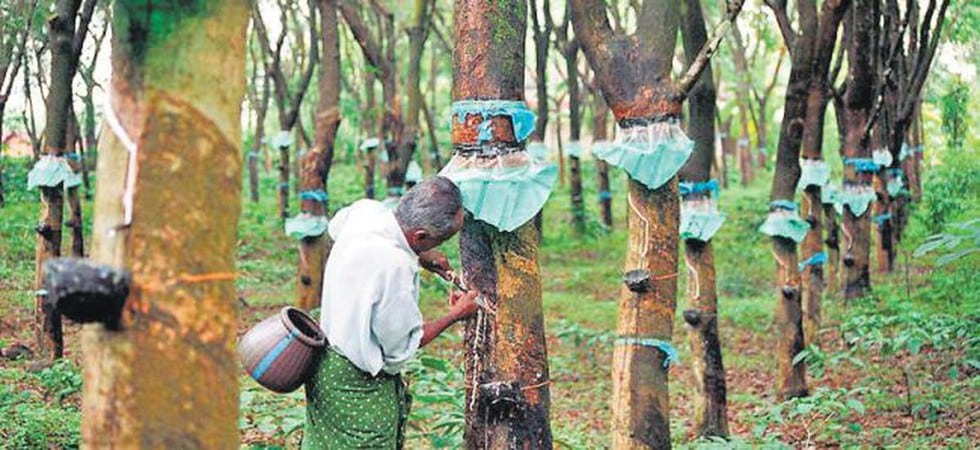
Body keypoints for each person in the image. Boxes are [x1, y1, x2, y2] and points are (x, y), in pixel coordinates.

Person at [302, 176, 480, 449]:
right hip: (357, 387)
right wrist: (456, 314)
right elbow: (400, 347)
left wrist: (421, 255)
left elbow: (337, 227)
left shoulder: (366, 212)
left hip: (325, 369)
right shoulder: (395, 267)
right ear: (419, 236)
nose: (438, 247)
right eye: (439, 240)